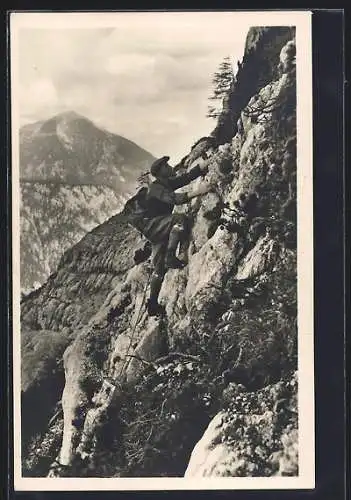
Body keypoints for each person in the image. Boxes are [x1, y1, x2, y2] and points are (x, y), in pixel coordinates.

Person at [132, 155, 212, 316]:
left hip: (155, 227)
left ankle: (153, 304)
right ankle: (170, 255)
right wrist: (198, 192)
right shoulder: (156, 188)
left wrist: (202, 166)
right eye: (166, 166)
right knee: (180, 219)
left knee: (158, 268)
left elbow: (185, 178)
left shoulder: (164, 183)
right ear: (161, 171)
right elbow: (173, 199)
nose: (170, 167)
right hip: (153, 225)